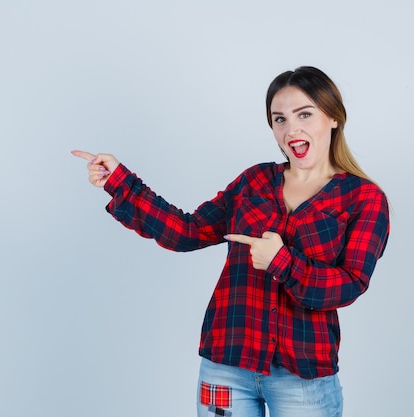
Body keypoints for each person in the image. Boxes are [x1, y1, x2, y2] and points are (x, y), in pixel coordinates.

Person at [72, 66, 390, 417]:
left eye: (304, 114)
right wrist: (120, 181)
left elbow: (350, 284)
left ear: (333, 117)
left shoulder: (363, 198)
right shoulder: (253, 181)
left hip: (303, 379)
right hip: (225, 367)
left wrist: (281, 261)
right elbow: (186, 230)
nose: (291, 129)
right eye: (279, 119)